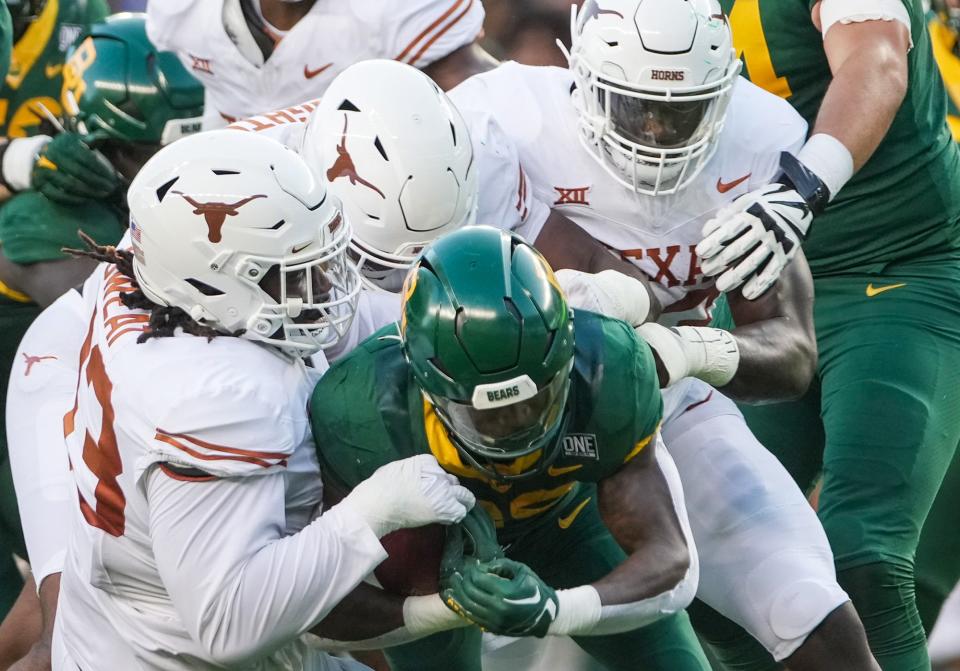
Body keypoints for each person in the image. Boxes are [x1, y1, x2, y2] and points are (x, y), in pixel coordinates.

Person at [446, 0, 877, 668]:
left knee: (806, 605)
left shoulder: (760, 139)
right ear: (581, 77)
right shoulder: (503, 120)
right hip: (497, 416)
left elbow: (792, 351)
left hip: (658, 392)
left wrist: (684, 350)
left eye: (680, 112)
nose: (654, 131)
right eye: (632, 105)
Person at [52, 129, 475, 669]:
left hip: (115, 611)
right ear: (220, 286)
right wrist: (373, 513)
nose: (327, 284)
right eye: (300, 274)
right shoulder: (222, 400)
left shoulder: (154, 264)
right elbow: (229, 624)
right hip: (168, 653)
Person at [311, 225, 705, 671]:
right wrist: (437, 609)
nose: (517, 427)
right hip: (432, 554)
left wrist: (557, 610)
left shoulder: (608, 367)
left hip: (565, 525)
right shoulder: (359, 411)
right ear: (426, 386)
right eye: (487, 413)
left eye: (536, 399)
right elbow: (312, 610)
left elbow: (671, 564)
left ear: (568, 352)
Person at [702, 1, 960, 668]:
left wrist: (800, 189)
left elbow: (876, 61)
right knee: (711, 564)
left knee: (862, 554)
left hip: (904, 268)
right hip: (767, 279)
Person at [0, 12, 204, 667]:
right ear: (108, 146)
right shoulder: (54, 224)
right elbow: (129, 317)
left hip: (63, 400)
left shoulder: (88, 19)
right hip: (30, 407)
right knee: (56, 616)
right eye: (158, 149)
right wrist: (15, 157)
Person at [146, 0, 494, 129]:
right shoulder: (182, 11)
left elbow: (486, 106)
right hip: (232, 185)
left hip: (374, 206)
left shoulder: (394, 9)